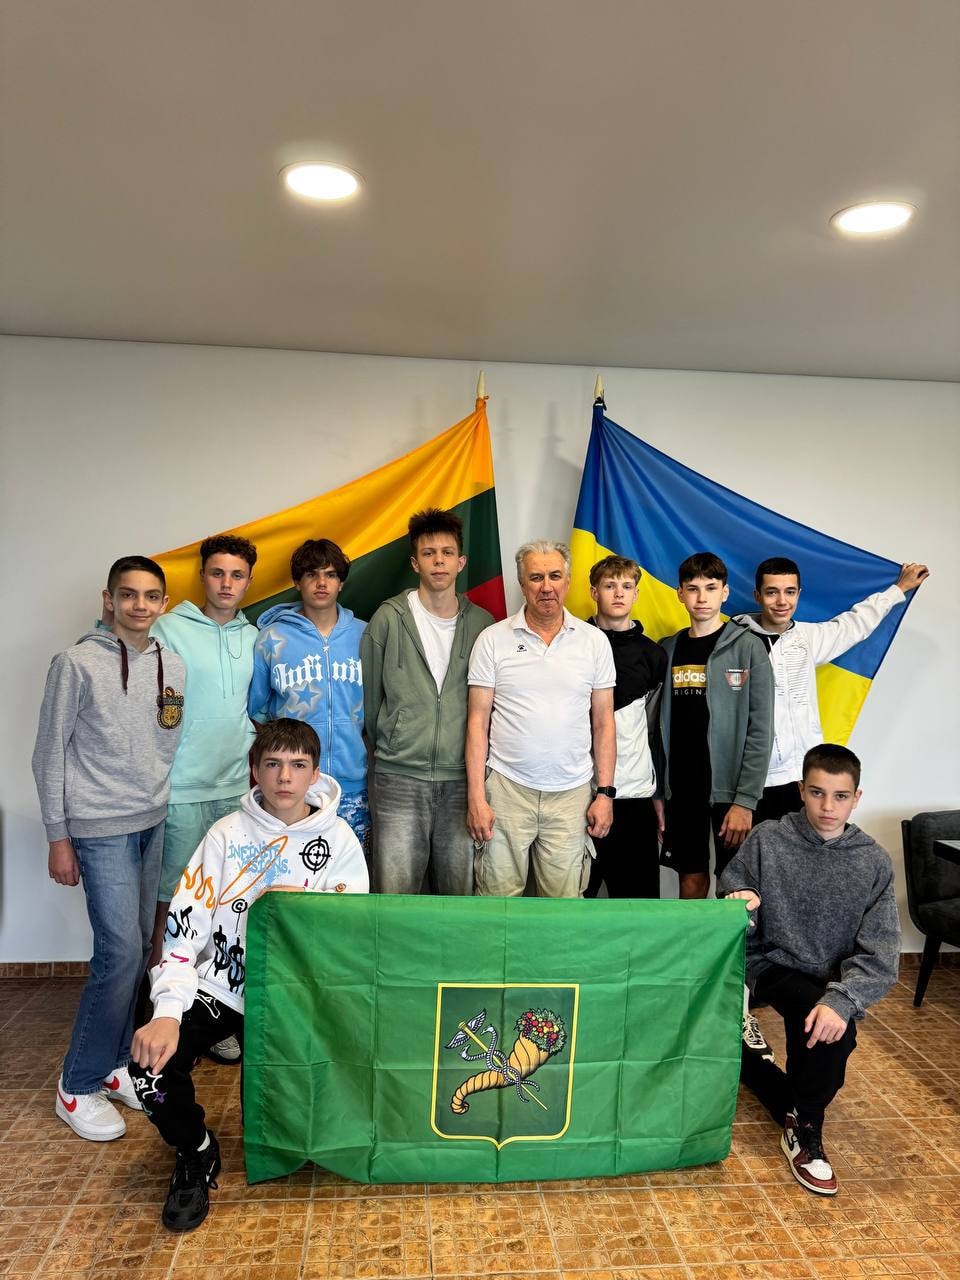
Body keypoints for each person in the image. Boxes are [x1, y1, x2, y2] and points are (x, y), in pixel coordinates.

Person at [130, 719, 368, 1231]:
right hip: (225, 988)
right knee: (148, 1069)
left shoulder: (340, 840)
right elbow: (183, 931)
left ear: (315, 774)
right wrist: (166, 1011)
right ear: (255, 770)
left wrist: (302, 906)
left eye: (298, 766)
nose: (285, 777)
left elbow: (351, 933)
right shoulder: (225, 835)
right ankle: (196, 1151)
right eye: (273, 764)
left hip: (297, 994)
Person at [32, 555, 186, 1141]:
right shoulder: (75, 664)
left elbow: (163, 742)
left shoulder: (173, 664)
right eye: (128, 595)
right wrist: (58, 836)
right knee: (118, 954)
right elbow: (48, 754)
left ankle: (117, 1063)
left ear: (163, 603)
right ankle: (77, 1083)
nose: (139, 605)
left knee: (139, 948)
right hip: (99, 827)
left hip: (152, 822)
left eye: (150, 596)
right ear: (108, 599)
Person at [718, 744, 899, 1196]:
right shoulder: (769, 838)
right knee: (823, 1024)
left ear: (857, 798)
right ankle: (807, 1132)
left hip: (831, 975)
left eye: (840, 796)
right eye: (817, 793)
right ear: (801, 789)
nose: (827, 806)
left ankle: (769, 1083)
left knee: (830, 1024)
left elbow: (881, 956)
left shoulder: (873, 861)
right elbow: (733, 890)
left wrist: (843, 998)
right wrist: (743, 900)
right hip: (770, 962)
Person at [148, 533, 259, 1065]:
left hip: (235, 790)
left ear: (249, 581)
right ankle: (159, 1018)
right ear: (202, 576)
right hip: (182, 789)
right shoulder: (168, 628)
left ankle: (210, 1022)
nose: (226, 584)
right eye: (218, 573)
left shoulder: (253, 636)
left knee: (224, 909)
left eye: (237, 575)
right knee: (171, 905)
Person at [466, 539, 617, 897]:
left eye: (554, 576)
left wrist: (605, 794)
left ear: (568, 581)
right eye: (536, 577)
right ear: (522, 584)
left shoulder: (594, 642)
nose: (546, 586)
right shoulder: (492, 640)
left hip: (572, 795)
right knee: (497, 903)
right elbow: (477, 722)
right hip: (506, 790)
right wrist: (476, 798)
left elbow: (604, 723)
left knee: (563, 908)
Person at [735, 558, 930, 824]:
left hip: (807, 777)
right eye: (772, 592)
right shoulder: (734, 643)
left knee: (809, 849)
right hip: (757, 781)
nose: (782, 601)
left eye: (790, 592)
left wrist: (899, 589)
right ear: (757, 595)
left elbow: (855, 623)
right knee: (756, 850)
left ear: (799, 594)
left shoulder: (808, 637)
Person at [361, 508, 493, 894]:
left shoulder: (483, 625)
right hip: (398, 777)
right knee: (395, 891)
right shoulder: (388, 619)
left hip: (461, 780)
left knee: (458, 893)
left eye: (447, 553)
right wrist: (395, 741)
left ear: (461, 562)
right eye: (429, 553)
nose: (439, 561)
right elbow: (370, 702)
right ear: (415, 563)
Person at [658, 552, 774, 901]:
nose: (702, 597)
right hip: (682, 789)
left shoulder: (749, 647)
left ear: (724, 593)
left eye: (711, 588)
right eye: (693, 589)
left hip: (730, 791)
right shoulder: (668, 649)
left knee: (736, 887)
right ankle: (692, 942)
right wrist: (659, 792)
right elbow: (655, 728)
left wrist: (746, 801)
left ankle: (734, 943)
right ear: (680, 593)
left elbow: (761, 729)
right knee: (690, 882)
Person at [247, 538, 368, 850]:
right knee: (291, 868)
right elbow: (255, 709)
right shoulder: (272, 638)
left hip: (352, 784)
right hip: (291, 787)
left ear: (341, 582)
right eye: (312, 574)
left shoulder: (365, 635)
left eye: (330, 574)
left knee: (348, 871)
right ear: (297, 582)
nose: (321, 583)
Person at [584, 555, 666, 899]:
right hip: (579, 794)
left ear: (636, 594)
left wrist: (658, 795)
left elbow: (654, 729)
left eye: (626, 586)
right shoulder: (573, 644)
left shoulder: (654, 655)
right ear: (594, 592)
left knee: (639, 907)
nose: (618, 593)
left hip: (634, 794)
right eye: (609, 585)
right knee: (571, 905)